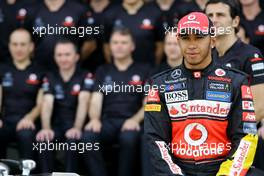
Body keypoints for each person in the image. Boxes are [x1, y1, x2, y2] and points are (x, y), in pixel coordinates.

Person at [145, 12, 260, 176]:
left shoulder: (236, 82)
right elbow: (155, 140)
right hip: (178, 171)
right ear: (178, 41)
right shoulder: (159, 85)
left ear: (212, 41)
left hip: (224, 169)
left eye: (198, 37)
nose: (191, 45)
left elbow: (245, 138)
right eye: (185, 38)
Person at [81, 28, 149, 176]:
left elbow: (148, 102)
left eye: (124, 43)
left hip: (132, 121)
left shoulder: (144, 70)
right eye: (115, 42)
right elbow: (96, 99)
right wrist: (94, 119)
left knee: (128, 138)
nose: (119, 46)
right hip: (108, 121)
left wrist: (135, 120)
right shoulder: (102, 71)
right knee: (87, 137)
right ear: (110, 46)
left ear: (132, 46)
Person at [35, 39, 94, 172]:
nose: (63, 59)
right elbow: (47, 103)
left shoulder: (85, 75)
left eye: (67, 54)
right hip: (57, 125)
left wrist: (77, 128)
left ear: (76, 56)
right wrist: (46, 128)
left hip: (77, 125)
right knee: (44, 141)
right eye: (59, 55)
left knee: (72, 143)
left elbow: (84, 101)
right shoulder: (50, 76)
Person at [205, 0, 264, 122]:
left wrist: (229, 133)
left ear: (235, 21)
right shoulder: (206, 56)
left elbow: (259, 108)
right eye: (210, 15)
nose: (214, 20)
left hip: (238, 136)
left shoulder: (251, 55)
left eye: (220, 15)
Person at [0, 29, 44, 160]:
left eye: (23, 44)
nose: (18, 49)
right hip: (6, 121)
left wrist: (29, 118)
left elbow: (42, 103)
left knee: (26, 135)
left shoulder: (40, 71)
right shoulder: (2, 69)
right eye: (15, 44)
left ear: (31, 46)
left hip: (29, 122)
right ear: (9, 46)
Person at [24, 0, 97, 71]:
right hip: (39, 69)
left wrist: (72, 59)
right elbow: (24, 39)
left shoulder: (79, 9)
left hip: (69, 72)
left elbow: (90, 43)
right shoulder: (32, 9)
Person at [103, 0, 163, 65]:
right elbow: (106, 46)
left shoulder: (155, 13)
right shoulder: (110, 15)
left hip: (148, 70)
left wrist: (154, 67)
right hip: (118, 71)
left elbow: (160, 45)